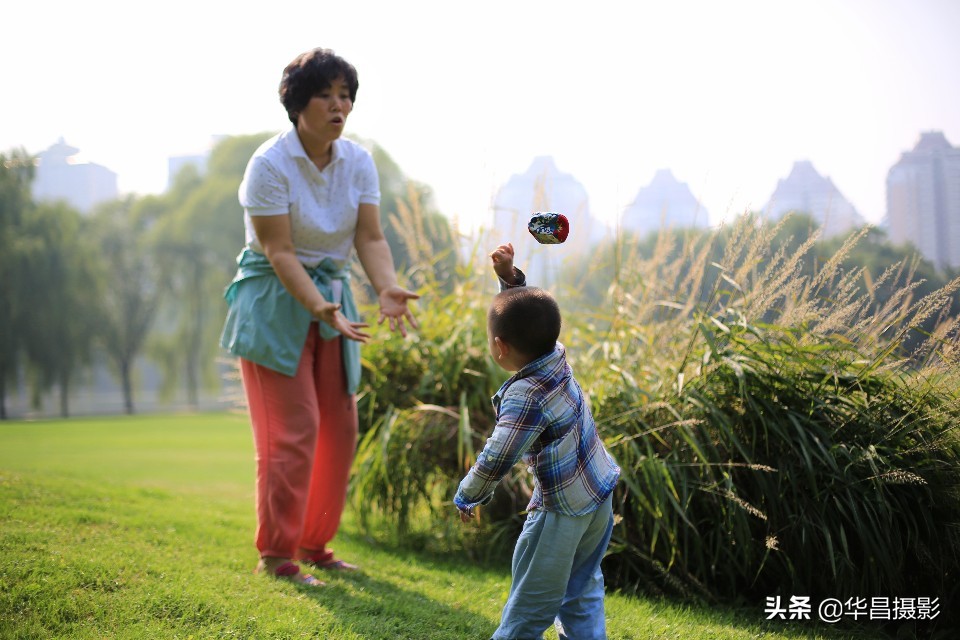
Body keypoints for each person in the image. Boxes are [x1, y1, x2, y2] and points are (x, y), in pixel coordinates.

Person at [220, 47, 419, 586]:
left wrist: (386, 287)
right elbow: (280, 251)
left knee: (338, 427)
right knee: (294, 429)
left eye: (345, 94)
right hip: (275, 302)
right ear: (297, 103)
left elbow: (370, 236)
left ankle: (314, 543)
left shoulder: (357, 161)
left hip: (334, 303)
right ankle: (277, 554)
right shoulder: (269, 164)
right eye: (326, 94)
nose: (339, 104)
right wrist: (316, 306)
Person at [454, 243, 621, 639]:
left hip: (560, 510)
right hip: (599, 495)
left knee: (528, 609)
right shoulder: (556, 356)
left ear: (499, 347)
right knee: (581, 595)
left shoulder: (525, 395)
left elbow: (498, 454)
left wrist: (468, 494)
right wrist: (511, 280)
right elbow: (532, 315)